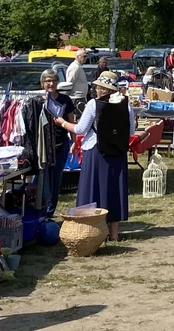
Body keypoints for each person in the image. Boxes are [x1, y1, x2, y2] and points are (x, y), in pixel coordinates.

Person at [56, 72, 133, 240]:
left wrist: (62, 122)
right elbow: (131, 131)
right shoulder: (126, 105)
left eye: (98, 87)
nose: (96, 89)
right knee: (114, 191)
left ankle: (92, 232)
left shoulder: (93, 104)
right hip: (117, 151)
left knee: (92, 190)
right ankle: (113, 233)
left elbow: (80, 129)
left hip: (96, 150)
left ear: (103, 89)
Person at [38, 71, 76, 217]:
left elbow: (71, 122)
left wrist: (73, 141)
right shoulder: (37, 100)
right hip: (42, 147)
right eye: (47, 81)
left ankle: (49, 213)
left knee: (55, 180)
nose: (51, 83)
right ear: (42, 83)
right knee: (41, 179)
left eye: (53, 80)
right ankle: (39, 210)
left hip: (61, 144)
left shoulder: (65, 99)